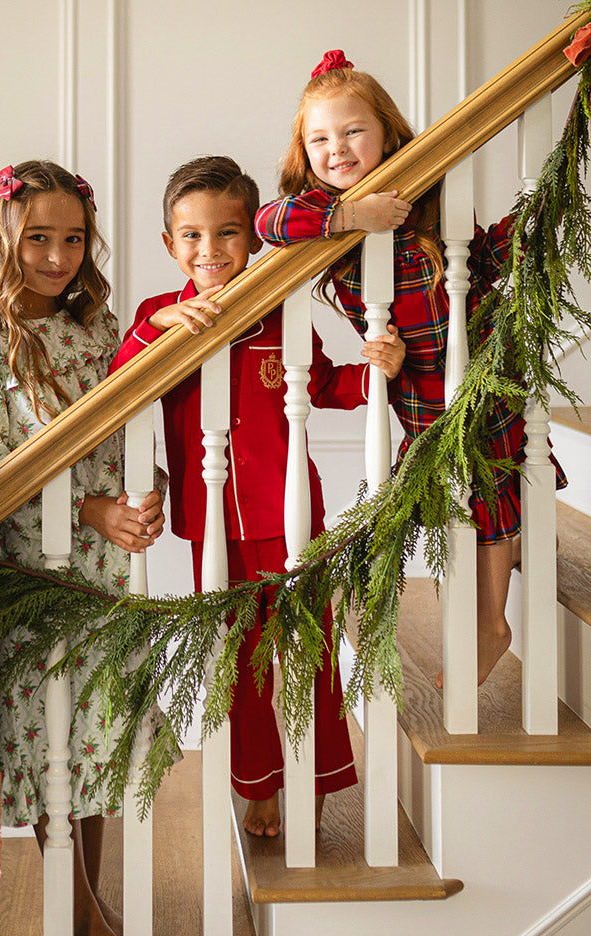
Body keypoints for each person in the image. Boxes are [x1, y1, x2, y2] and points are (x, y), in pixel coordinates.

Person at [111, 155, 405, 838]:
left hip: (292, 518)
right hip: (212, 527)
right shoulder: (160, 317)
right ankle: (262, 786)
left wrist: (375, 372)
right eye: (191, 236)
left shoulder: (281, 305)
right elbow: (121, 385)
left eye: (227, 234)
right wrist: (159, 331)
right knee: (240, 667)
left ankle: (321, 780)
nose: (209, 251)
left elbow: (326, 385)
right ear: (169, 245)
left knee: (311, 655)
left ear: (252, 237)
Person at [254, 49, 566, 689]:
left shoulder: (423, 190)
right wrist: (350, 217)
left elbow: (477, 257)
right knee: (404, 500)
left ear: (387, 133)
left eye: (352, 132)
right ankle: (355, 597)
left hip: (478, 374)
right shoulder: (320, 213)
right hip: (416, 395)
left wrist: (534, 226)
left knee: (485, 491)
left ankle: (490, 622)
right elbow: (267, 221)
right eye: (319, 139)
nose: (336, 149)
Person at [0, 160, 167, 936]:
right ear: (5, 236)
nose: (58, 255)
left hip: (111, 568)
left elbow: (139, 427)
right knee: (55, 742)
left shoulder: (102, 333)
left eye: (73, 238)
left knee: (99, 738)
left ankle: (90, 907)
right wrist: (91, 511)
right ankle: (79, 918)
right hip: (37, 568)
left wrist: (148, 492)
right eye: (39, 237)